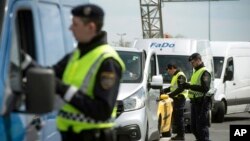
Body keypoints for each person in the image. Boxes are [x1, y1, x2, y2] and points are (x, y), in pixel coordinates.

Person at [21, 3, 125, 141]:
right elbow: (47, 76)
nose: (70, 28)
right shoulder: (76, 55)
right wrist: (23, 60)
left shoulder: (108, 61)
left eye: (75, 24)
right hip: (70, 135)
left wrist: (63, 89)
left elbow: (102, 110)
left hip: (93, 137)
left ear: (91, 27)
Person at [182, 53, 211, 141]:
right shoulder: (196, 71)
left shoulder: (204, 72)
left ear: (199, 60)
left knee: (201, 127)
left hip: (202, 102)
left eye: (193, 62)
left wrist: (189, 86)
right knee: (194, 128)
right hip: (194, 102)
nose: (192, 64)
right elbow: (195, 85)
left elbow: (205, 88)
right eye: (191, 63)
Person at [160, 63, 188, 140]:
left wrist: (170, 95)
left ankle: (181, 136)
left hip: (180, 99)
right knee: (177, 117)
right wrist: (164, 91)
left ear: (172, 68)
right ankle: (179, 134)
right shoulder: (175, 75)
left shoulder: (180, 75)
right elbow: (172, 87)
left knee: (179, 118)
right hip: (177, 99)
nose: (168, 72)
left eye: (169, 70)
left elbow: (181, 88)